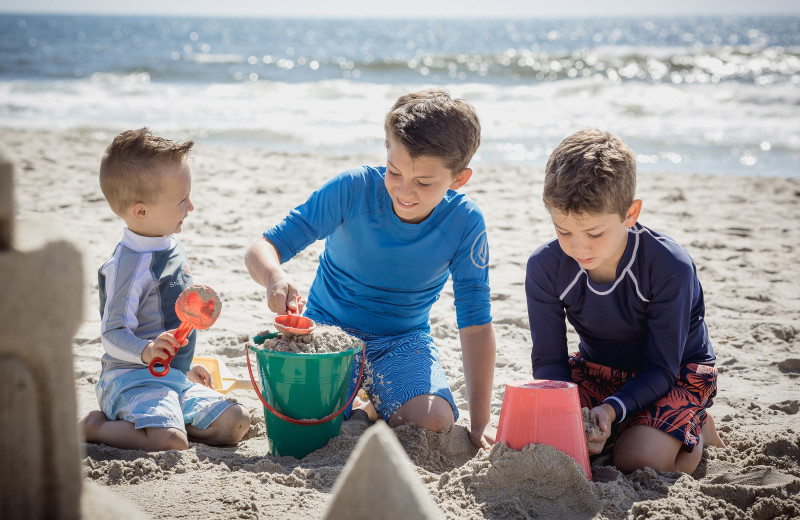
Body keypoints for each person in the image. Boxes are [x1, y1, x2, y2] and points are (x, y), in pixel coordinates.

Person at [245, 88, 496, 448]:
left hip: (400, 341)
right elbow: (262, 247)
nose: (404, 191)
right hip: (326, 334)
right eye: (394, 172)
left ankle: (377, 402)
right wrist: (274, 277)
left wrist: (481, 420)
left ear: (459, 179)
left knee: (435, 421)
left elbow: (475, 325)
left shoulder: (465, 222)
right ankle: (363, 403)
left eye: (424, 182)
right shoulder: (353, 189)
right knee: (305, 419)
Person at [525, 128, 725, 474]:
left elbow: (662, 367)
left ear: (630, 214)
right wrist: (571, 414)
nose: (579, 248)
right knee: (540, 437)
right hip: (598, 370)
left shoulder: (668, 266)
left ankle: (696, 425)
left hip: (675, 372)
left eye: (595, 233)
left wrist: (613, 410)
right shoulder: (545, 267)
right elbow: (548, 361)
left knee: (639, 461)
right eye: (563, 230)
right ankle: (634, 426)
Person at [81, 128, 250, 451]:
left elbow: (168, 322)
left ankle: (164, 419)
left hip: (170, 376)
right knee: (170, 442)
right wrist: (146, 351)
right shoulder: (128, 266)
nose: (191, 207)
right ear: (141, 211)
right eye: (181, 200)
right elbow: (112, 333)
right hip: (131, 379)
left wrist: (186, 366)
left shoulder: (170, 244)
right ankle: (96, 426)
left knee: (235, 421)